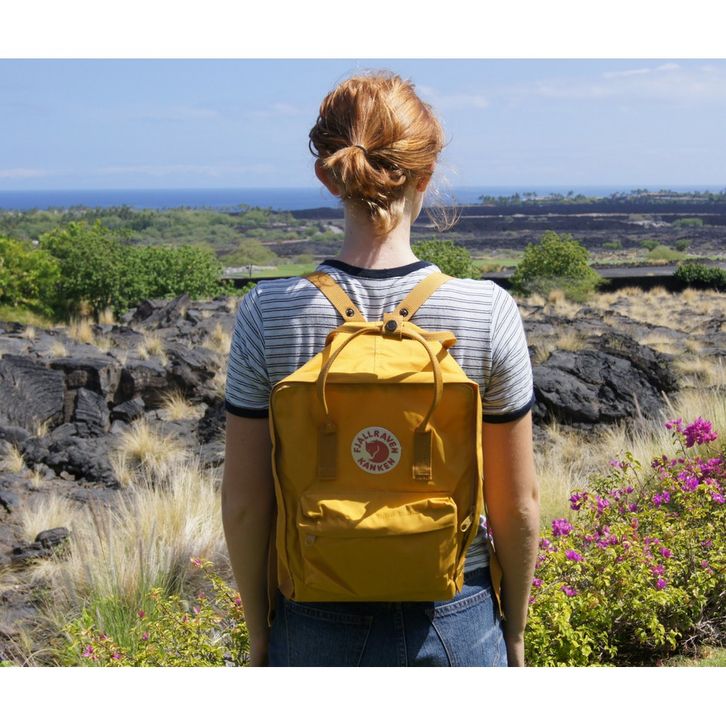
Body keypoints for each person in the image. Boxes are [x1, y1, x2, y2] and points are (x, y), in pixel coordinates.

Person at [221, 69, 540, 667]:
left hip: (312, 613)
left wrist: (260, 633)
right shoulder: (487, 310)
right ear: (426, 174)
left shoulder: (267, 311)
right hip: (456, 613)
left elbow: (244, 505)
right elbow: (517, 504)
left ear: (327, 175)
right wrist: (514, 629)